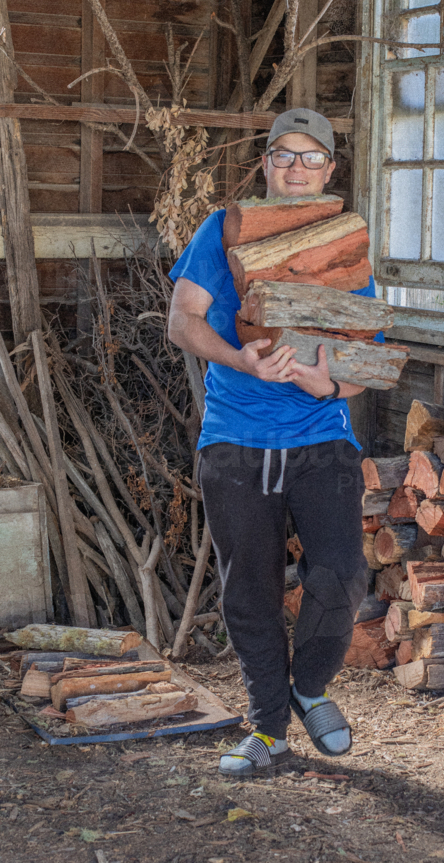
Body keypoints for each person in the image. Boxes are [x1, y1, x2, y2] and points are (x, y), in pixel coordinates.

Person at [167, 108, 371, 777]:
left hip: (321, 440)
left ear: (330, 169)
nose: (296, 167)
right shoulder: (225, 230)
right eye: (284, 155)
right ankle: (267, 728)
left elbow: (363, 366)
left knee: (340, 572)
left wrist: (326, 385)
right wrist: (239, 358)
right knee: (248, 591)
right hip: (235, 441)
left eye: (311, 158)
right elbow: (182, 321)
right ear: (265, 164)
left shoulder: (346, 242)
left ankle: (309, 688)